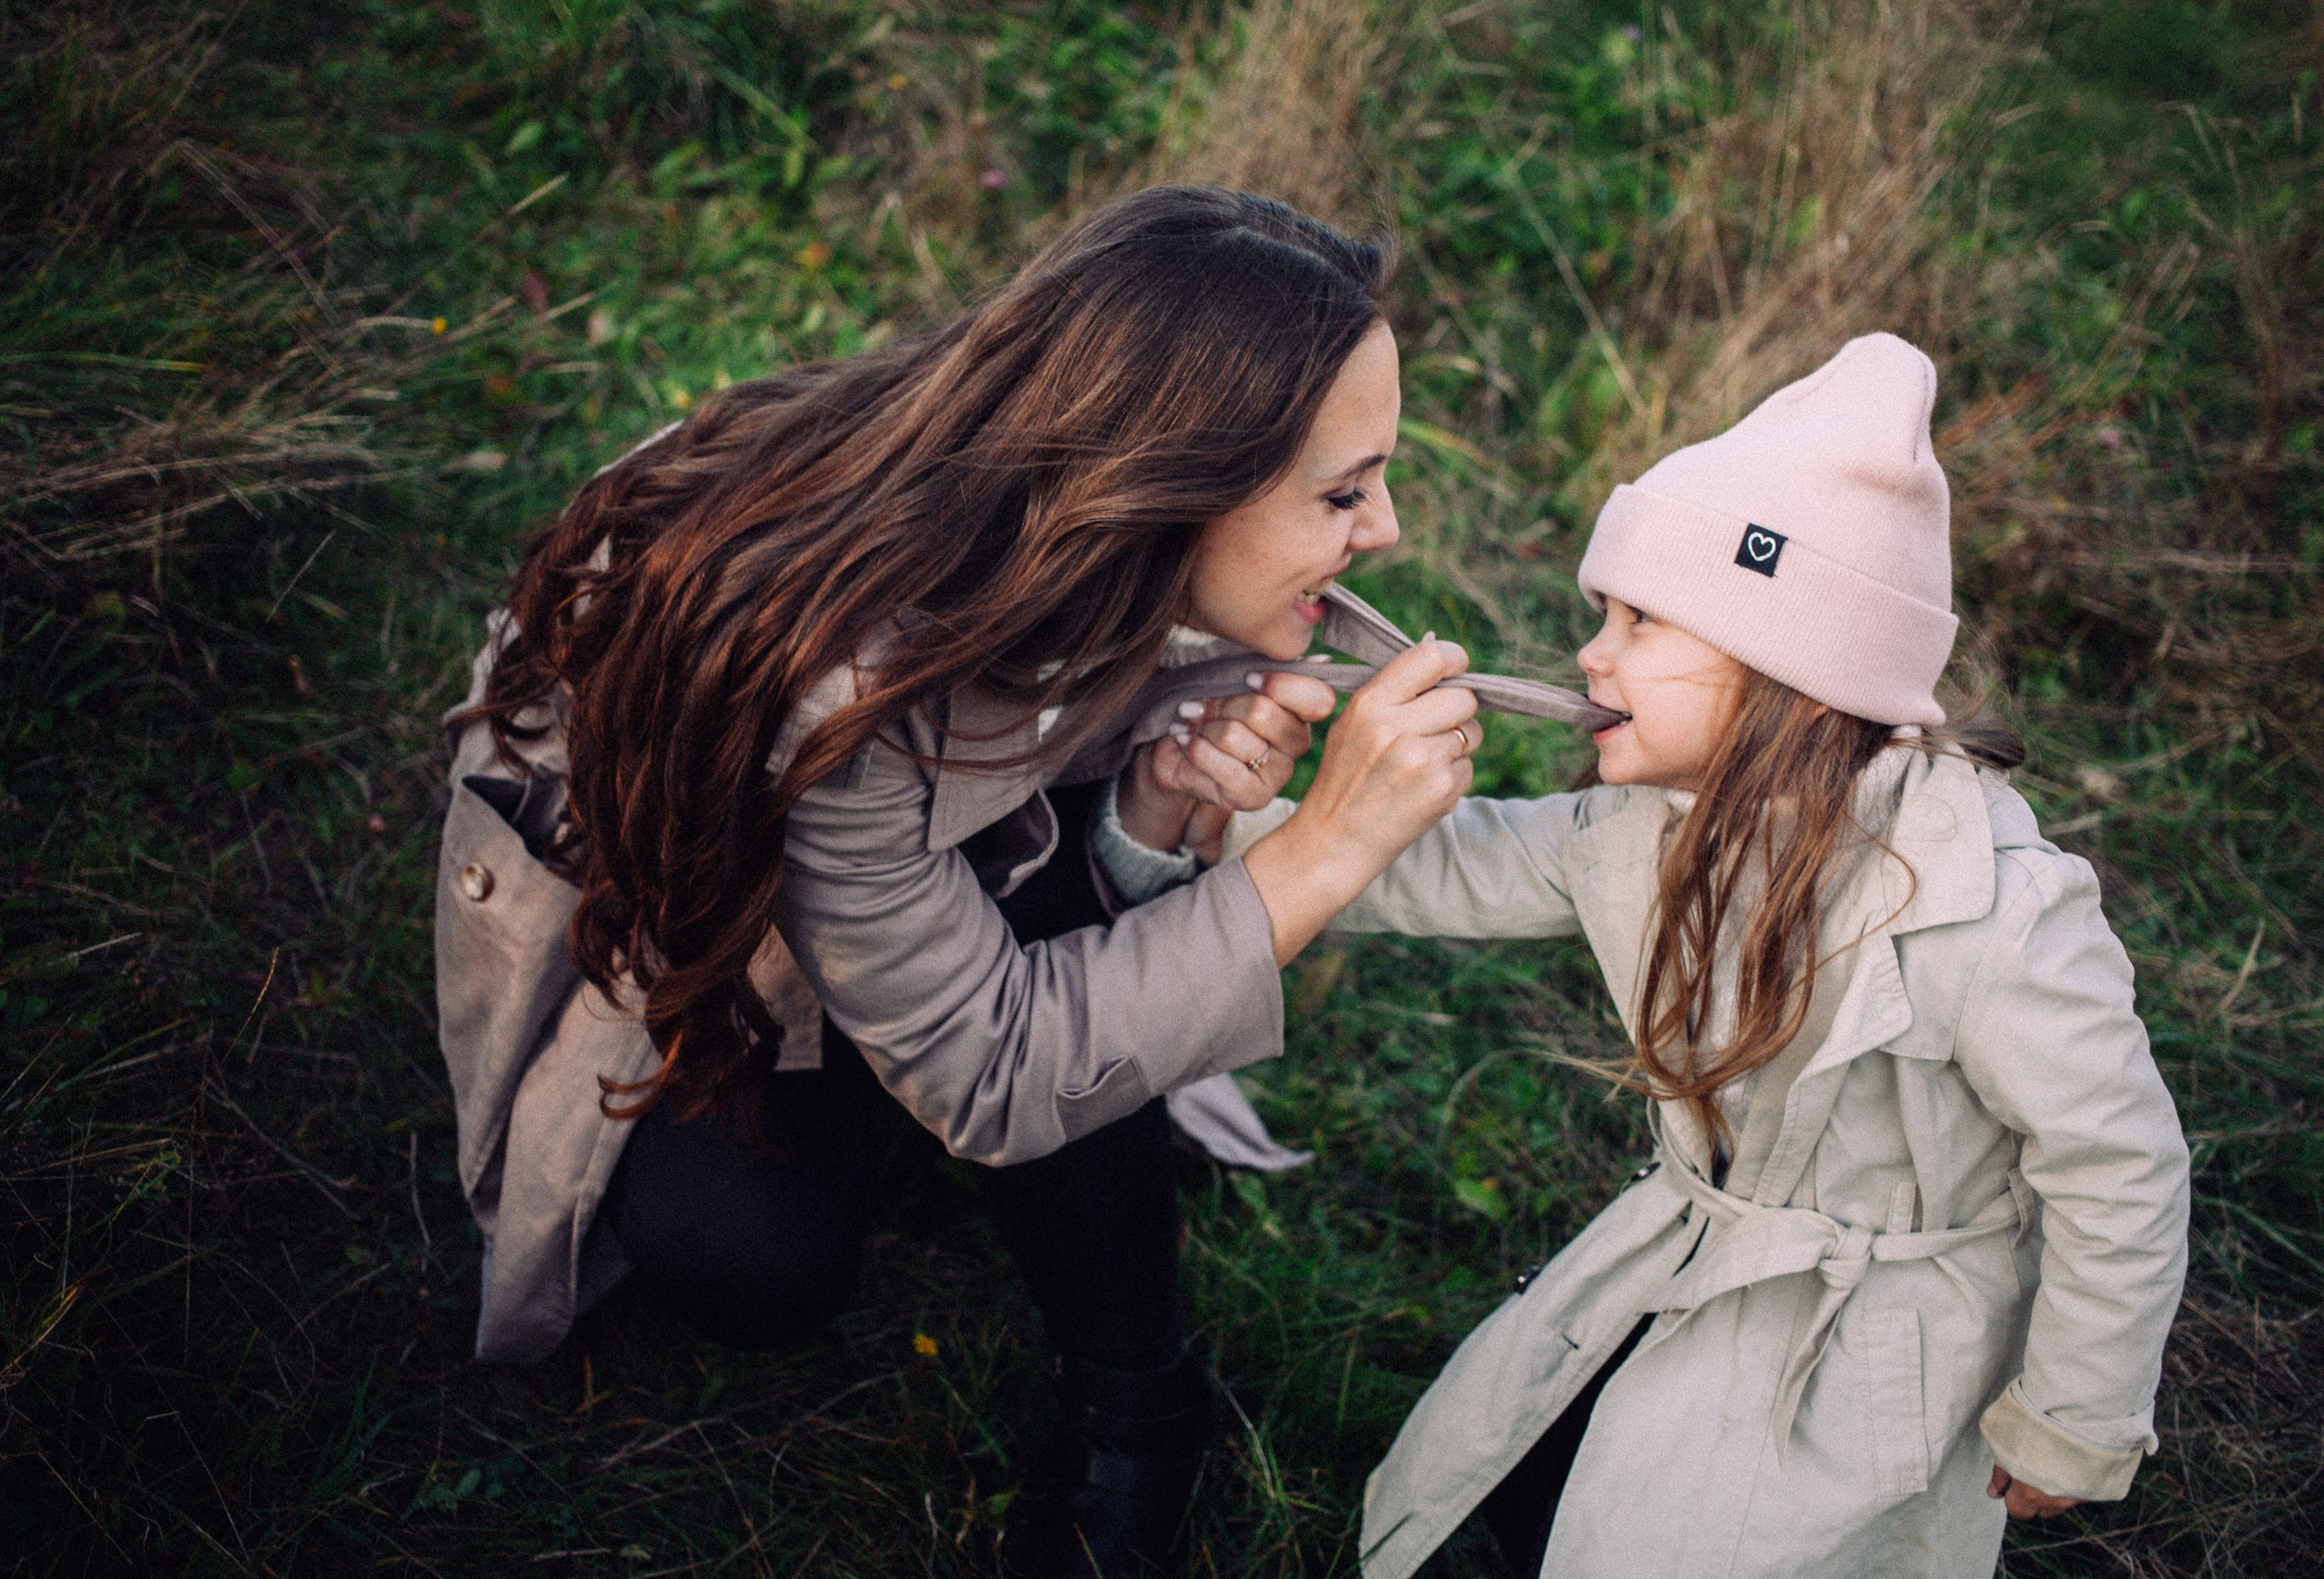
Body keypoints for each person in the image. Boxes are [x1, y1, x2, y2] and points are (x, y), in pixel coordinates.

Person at [433, 186, 1484, 1578]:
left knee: (1061, 1006)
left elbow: (1038, 849)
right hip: (710, 949)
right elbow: (991, 1069)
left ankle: (1138, 1403)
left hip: (892, 900)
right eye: (1343, 493)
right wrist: (1321, 851)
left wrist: (1152, 814)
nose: (1388, 531)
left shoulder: (1081, 538)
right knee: (747, 1260)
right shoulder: (839, 678)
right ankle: (889, 1104)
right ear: (1171, 476)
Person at [1222, 335, 2192, 1578]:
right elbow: (1431, 865)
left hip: (1877, 1335)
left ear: (1792, 669)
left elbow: (2119, 1167)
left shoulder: (1991, 911)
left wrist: (2074, 1415)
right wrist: (1237, 813)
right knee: (1533, 1475)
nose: (1590, 655)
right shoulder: (1644, 825)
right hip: (1702, 1248)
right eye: (1600, 617)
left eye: (1639, 621)